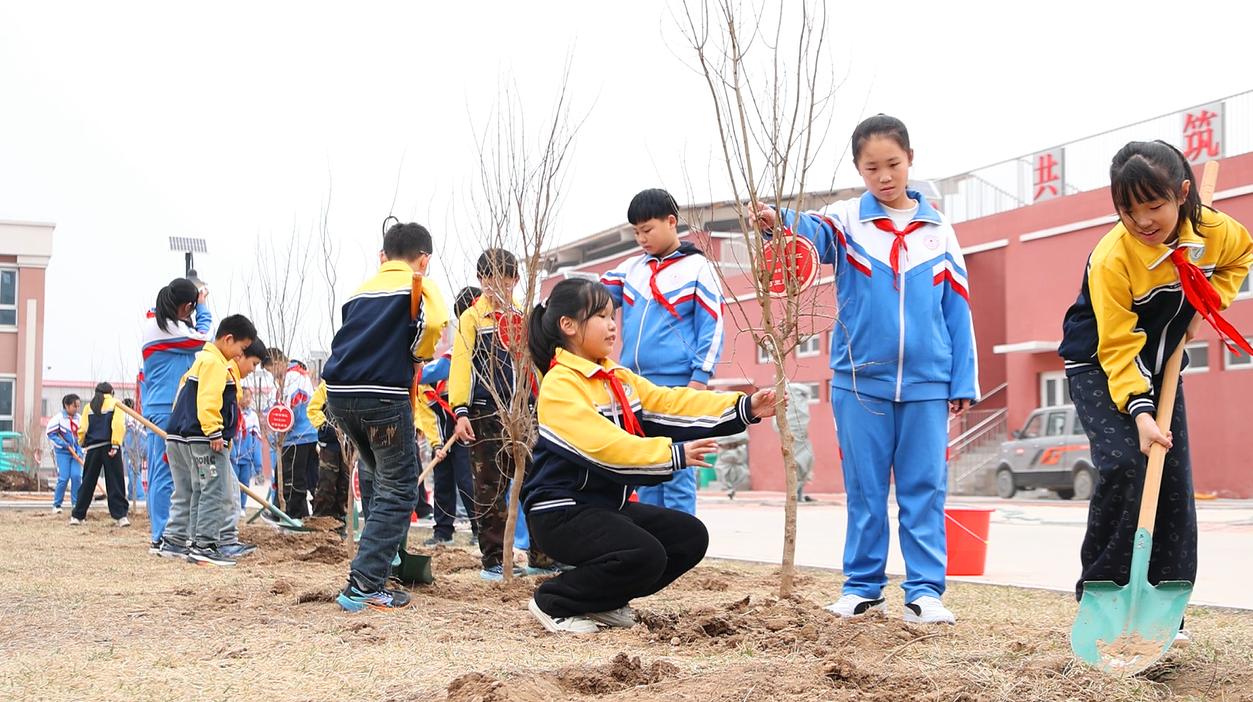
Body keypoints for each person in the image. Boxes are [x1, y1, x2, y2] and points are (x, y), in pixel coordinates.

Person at [754, 114, 979, 624]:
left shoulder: (940, 231)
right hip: (859, 381)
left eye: (893, 164)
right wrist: (777, 220)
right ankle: (862, 586)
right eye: (871, 167)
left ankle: (925, 592)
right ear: (858, 168)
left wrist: (962, 379)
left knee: (925, 487)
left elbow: (958, 309)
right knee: (866, 488)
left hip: (927, 384)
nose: (884, 176)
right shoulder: (846, 221)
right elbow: (808, 233)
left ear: (910, 160)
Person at [1059, 141, 1253, 644]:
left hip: (1164, 364)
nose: (1142, 220)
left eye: (1154, 206)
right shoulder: (1111, 259)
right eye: (1127, 210)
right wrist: (1142, 414)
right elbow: (1117, 347)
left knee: (1171, 481)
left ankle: (1168, 608)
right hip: (1101, 364)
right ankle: (1103, 590)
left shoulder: (1212, 232)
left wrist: (1208, 305)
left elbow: (1242, 254)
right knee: (1126, 464)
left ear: (1182, 193)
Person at [521, 278, 776, 634]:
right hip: (560, 512)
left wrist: (745, 406)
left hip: (603, 507)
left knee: (688, 538)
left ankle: (601, 601)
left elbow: (671, 404)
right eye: (600, 316)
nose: (612, 324)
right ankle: (555, 601)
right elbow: (604, 447)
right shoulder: (560, 386)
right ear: (569, 326)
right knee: (645, 554)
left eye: (613, 316)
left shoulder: (616, 378)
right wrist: (672, 455)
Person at [321, 220, 448, 612]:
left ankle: (384, 564)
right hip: (383, 396)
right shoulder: (417, 283)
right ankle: (366, 582)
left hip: (340, 395)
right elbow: (437, 322)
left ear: (384, 255)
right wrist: (418, 353)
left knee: (377, 473)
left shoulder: (360, 291)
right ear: (423, 258)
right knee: (400, 486)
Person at [600, 188, 725, 515]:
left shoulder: (698, 268)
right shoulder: (630, 270)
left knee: (679, 469)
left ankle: (684, 549)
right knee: (645, 467)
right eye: (636, 232)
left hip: (678, 386)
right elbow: (592, 300)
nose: (641, 238)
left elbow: (713, 326)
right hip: (633, 387)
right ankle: (654, 551)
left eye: (648, 229)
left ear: (672, 222)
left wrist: (700, 380)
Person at [451, 249, 556, 581]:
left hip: (525, 414)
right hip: (486, 414)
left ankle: (543, 554)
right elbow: (461, 368)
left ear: (515, 280)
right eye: (489, 278)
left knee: (537, 483)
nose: (497, 285)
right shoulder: (472, 319)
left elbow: (536, 367)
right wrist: (461, 411)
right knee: (490, 488)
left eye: (505, 278)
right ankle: (495, 560)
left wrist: (545, 403)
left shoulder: (522, 319)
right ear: (481, 281)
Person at [156, 315, 256, 566]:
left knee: (195, 490)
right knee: (212, 489)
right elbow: (209, 400)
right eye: (241, 349)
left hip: (189, 435)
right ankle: (204, 545)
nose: (239, 356)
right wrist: (214, 432)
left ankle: (182, 541)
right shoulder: (214, 363)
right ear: (228, 339)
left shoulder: (202, 361)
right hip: (205, 439)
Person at [141, 278, 212, 552]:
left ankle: (175, 533)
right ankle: (161, 535)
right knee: (165, 472)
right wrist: (204, 308)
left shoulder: (170, 325)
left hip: (176, 407)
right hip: (162, 410)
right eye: (192, 308)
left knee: (181, 472)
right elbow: (205, 338)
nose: (192, 314)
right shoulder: (162, 327)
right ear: (186, 306)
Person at [423, 286, 481, 546]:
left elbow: (434, 371)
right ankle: (443, 530)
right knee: (443, 478)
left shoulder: (475, 346)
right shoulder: (459, 345)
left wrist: (412, 371)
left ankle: (480, 528)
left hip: (469, 418)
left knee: (467, 479)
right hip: (447, 418)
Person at [218, 340, 269, 557]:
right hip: (214, 444)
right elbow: (208, 405)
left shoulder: (231, 378)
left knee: (231, 494)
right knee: (224, 494)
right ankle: (219, 542)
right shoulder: (220, 373)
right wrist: (214, 434)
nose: (253, 369)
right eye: (254, 363)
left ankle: (221, 540)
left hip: (228, 449)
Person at [264, 351, 318, 518]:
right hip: (307, 435)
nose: (271, 374)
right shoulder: (300, 374)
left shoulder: (293, 376)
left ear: (277, 362)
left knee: (292, 480)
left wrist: (280, 430)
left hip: (296, 438)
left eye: (270, 369)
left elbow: (289, 408)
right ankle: (299, 514)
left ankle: (293, 516)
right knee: (307, 479)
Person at [70, 383, 129, 526]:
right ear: (111, 392)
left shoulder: (88, 407)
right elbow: (118, 425)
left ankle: (77, 516)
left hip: (93, 448)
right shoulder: (116, 404)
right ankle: (120, 517)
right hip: (110, 447)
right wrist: (115, 443)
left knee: (88, 482)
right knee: (115, 482)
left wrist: (82, 442)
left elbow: (82, 429)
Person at [308, 379, 350, 522]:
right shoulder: (326, 386)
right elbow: (312, 409)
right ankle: (321, 517)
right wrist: (326, 426)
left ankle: (340, 518)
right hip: (330, 443)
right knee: (327, 481)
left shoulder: (354, 383)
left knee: (345, 482)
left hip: (349, 443)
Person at [47, 393, 84, 514]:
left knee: (76, 476)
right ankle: (57, 505)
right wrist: (64, 445)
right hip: (63, 452)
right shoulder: (58, 419)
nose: (77, 409)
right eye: (74, 406)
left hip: (76, 453)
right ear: (66, 406)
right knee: (63, 478)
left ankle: (76, 504)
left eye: (78, 406)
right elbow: (51, 434)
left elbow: (83, 436)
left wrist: (79, 449)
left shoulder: (80, 419)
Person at [230, 387, 263, 511]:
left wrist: (258, 464)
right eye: (245, 396)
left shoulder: (253, 416)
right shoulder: (233, 413)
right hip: (233, 458)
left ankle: (242, 507)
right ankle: (233, 508)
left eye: (250, 396)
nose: (248, 399)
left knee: (244, 484)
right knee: (233, 484)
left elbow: (256, 440)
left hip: (246, 459)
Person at [785, 383, 816, 502]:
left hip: (802, 438)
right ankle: (795, 494)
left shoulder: (801, 409)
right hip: (794, 439)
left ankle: (799, 492)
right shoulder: (790, 404)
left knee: (807, 460)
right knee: (797, 464)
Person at [121, 399, 146, 502]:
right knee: (135, 470)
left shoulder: (125, 418)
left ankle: (139, 497)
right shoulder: (136, 417)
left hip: (133, 448)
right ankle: (132, 495)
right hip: (141, 446)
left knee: (134, 472)